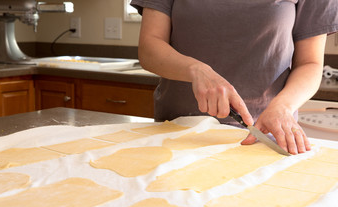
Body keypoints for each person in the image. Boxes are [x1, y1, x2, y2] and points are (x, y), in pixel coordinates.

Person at [130, 0, 338, 155]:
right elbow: (149, 48)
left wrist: (283, 106)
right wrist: (196, 70)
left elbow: (309, 63)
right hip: (177, 134)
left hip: (263, 137)